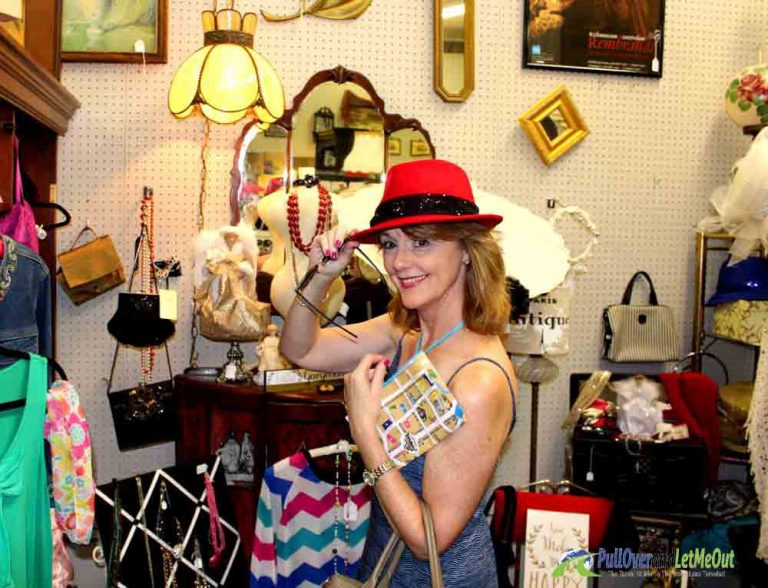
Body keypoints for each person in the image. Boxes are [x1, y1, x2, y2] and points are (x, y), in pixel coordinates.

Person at [279, 159, 518, 586]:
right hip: (382, 569)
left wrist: (366, 432)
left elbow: (428, 540)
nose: (399, 261)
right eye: (389, 243)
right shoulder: (404, 335)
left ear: (466, 251)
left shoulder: (478, 381)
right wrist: (322, 276)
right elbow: (300, 348)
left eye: (421, 242)